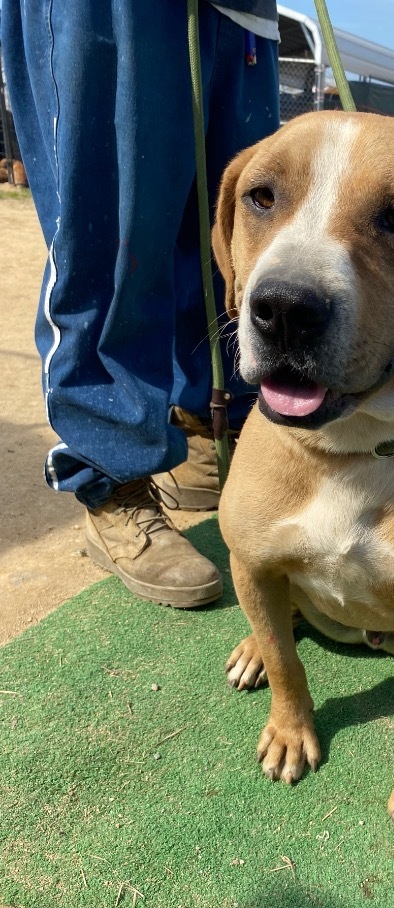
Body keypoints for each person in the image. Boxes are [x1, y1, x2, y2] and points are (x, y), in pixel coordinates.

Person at [0, 0, 280, 607]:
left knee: (233, 233)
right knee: (114, 235)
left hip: (244, 13)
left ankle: (206, 430)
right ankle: (112, 476)